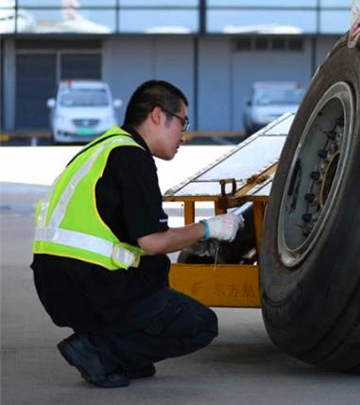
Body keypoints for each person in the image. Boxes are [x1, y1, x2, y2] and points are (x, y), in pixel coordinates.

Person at [32, 80, 241, 388]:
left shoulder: (101, 148)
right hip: (90, 285)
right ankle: (100, 351)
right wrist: (209, 228)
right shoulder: (132, 158)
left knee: (154, 270)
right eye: (183, 122)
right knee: (200, 325)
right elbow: (153, 241)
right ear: (158, 115)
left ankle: (120, 354)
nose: (184, 135)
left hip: (56, 283)